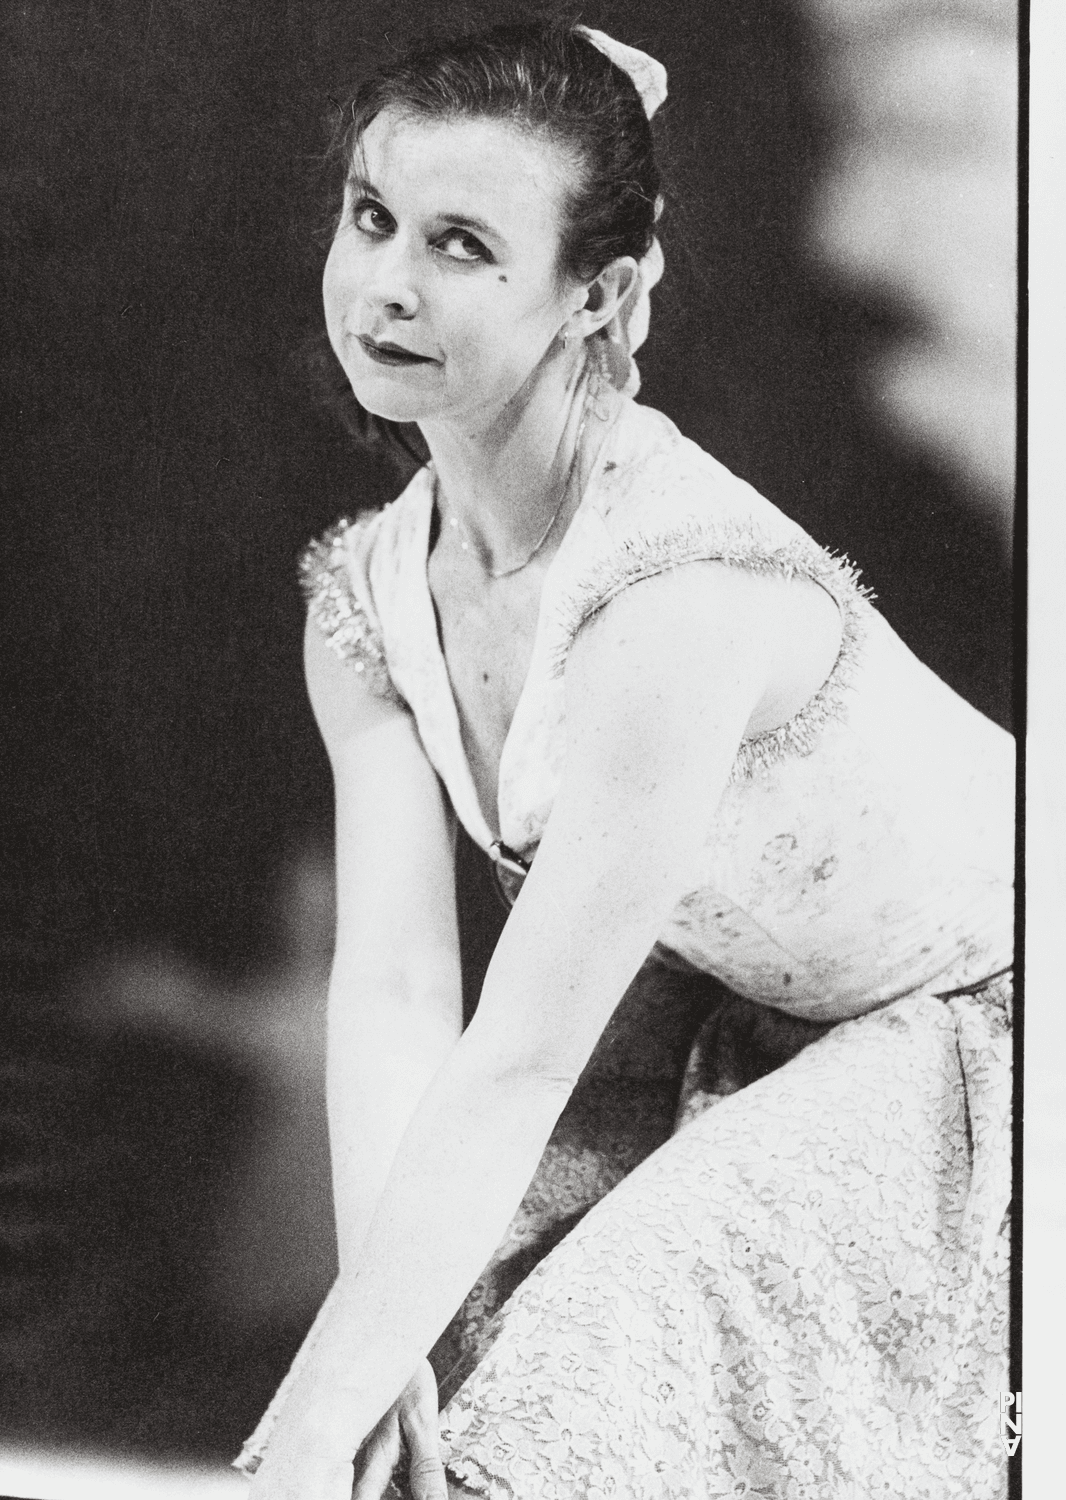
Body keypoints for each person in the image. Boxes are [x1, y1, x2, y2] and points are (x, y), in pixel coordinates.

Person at [236, 19, 1013, 1500]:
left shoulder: (674, 599)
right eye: (372, 216)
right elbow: (396, 989)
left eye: (462, 245)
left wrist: (314, 1419)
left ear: (593, 293)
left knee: (583, 1384)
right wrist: (369, 1345)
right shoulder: (362, 604)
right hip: (742, 1003)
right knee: (441, 1351)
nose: (385, 284)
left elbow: (522, 1053)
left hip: (988, 1025)